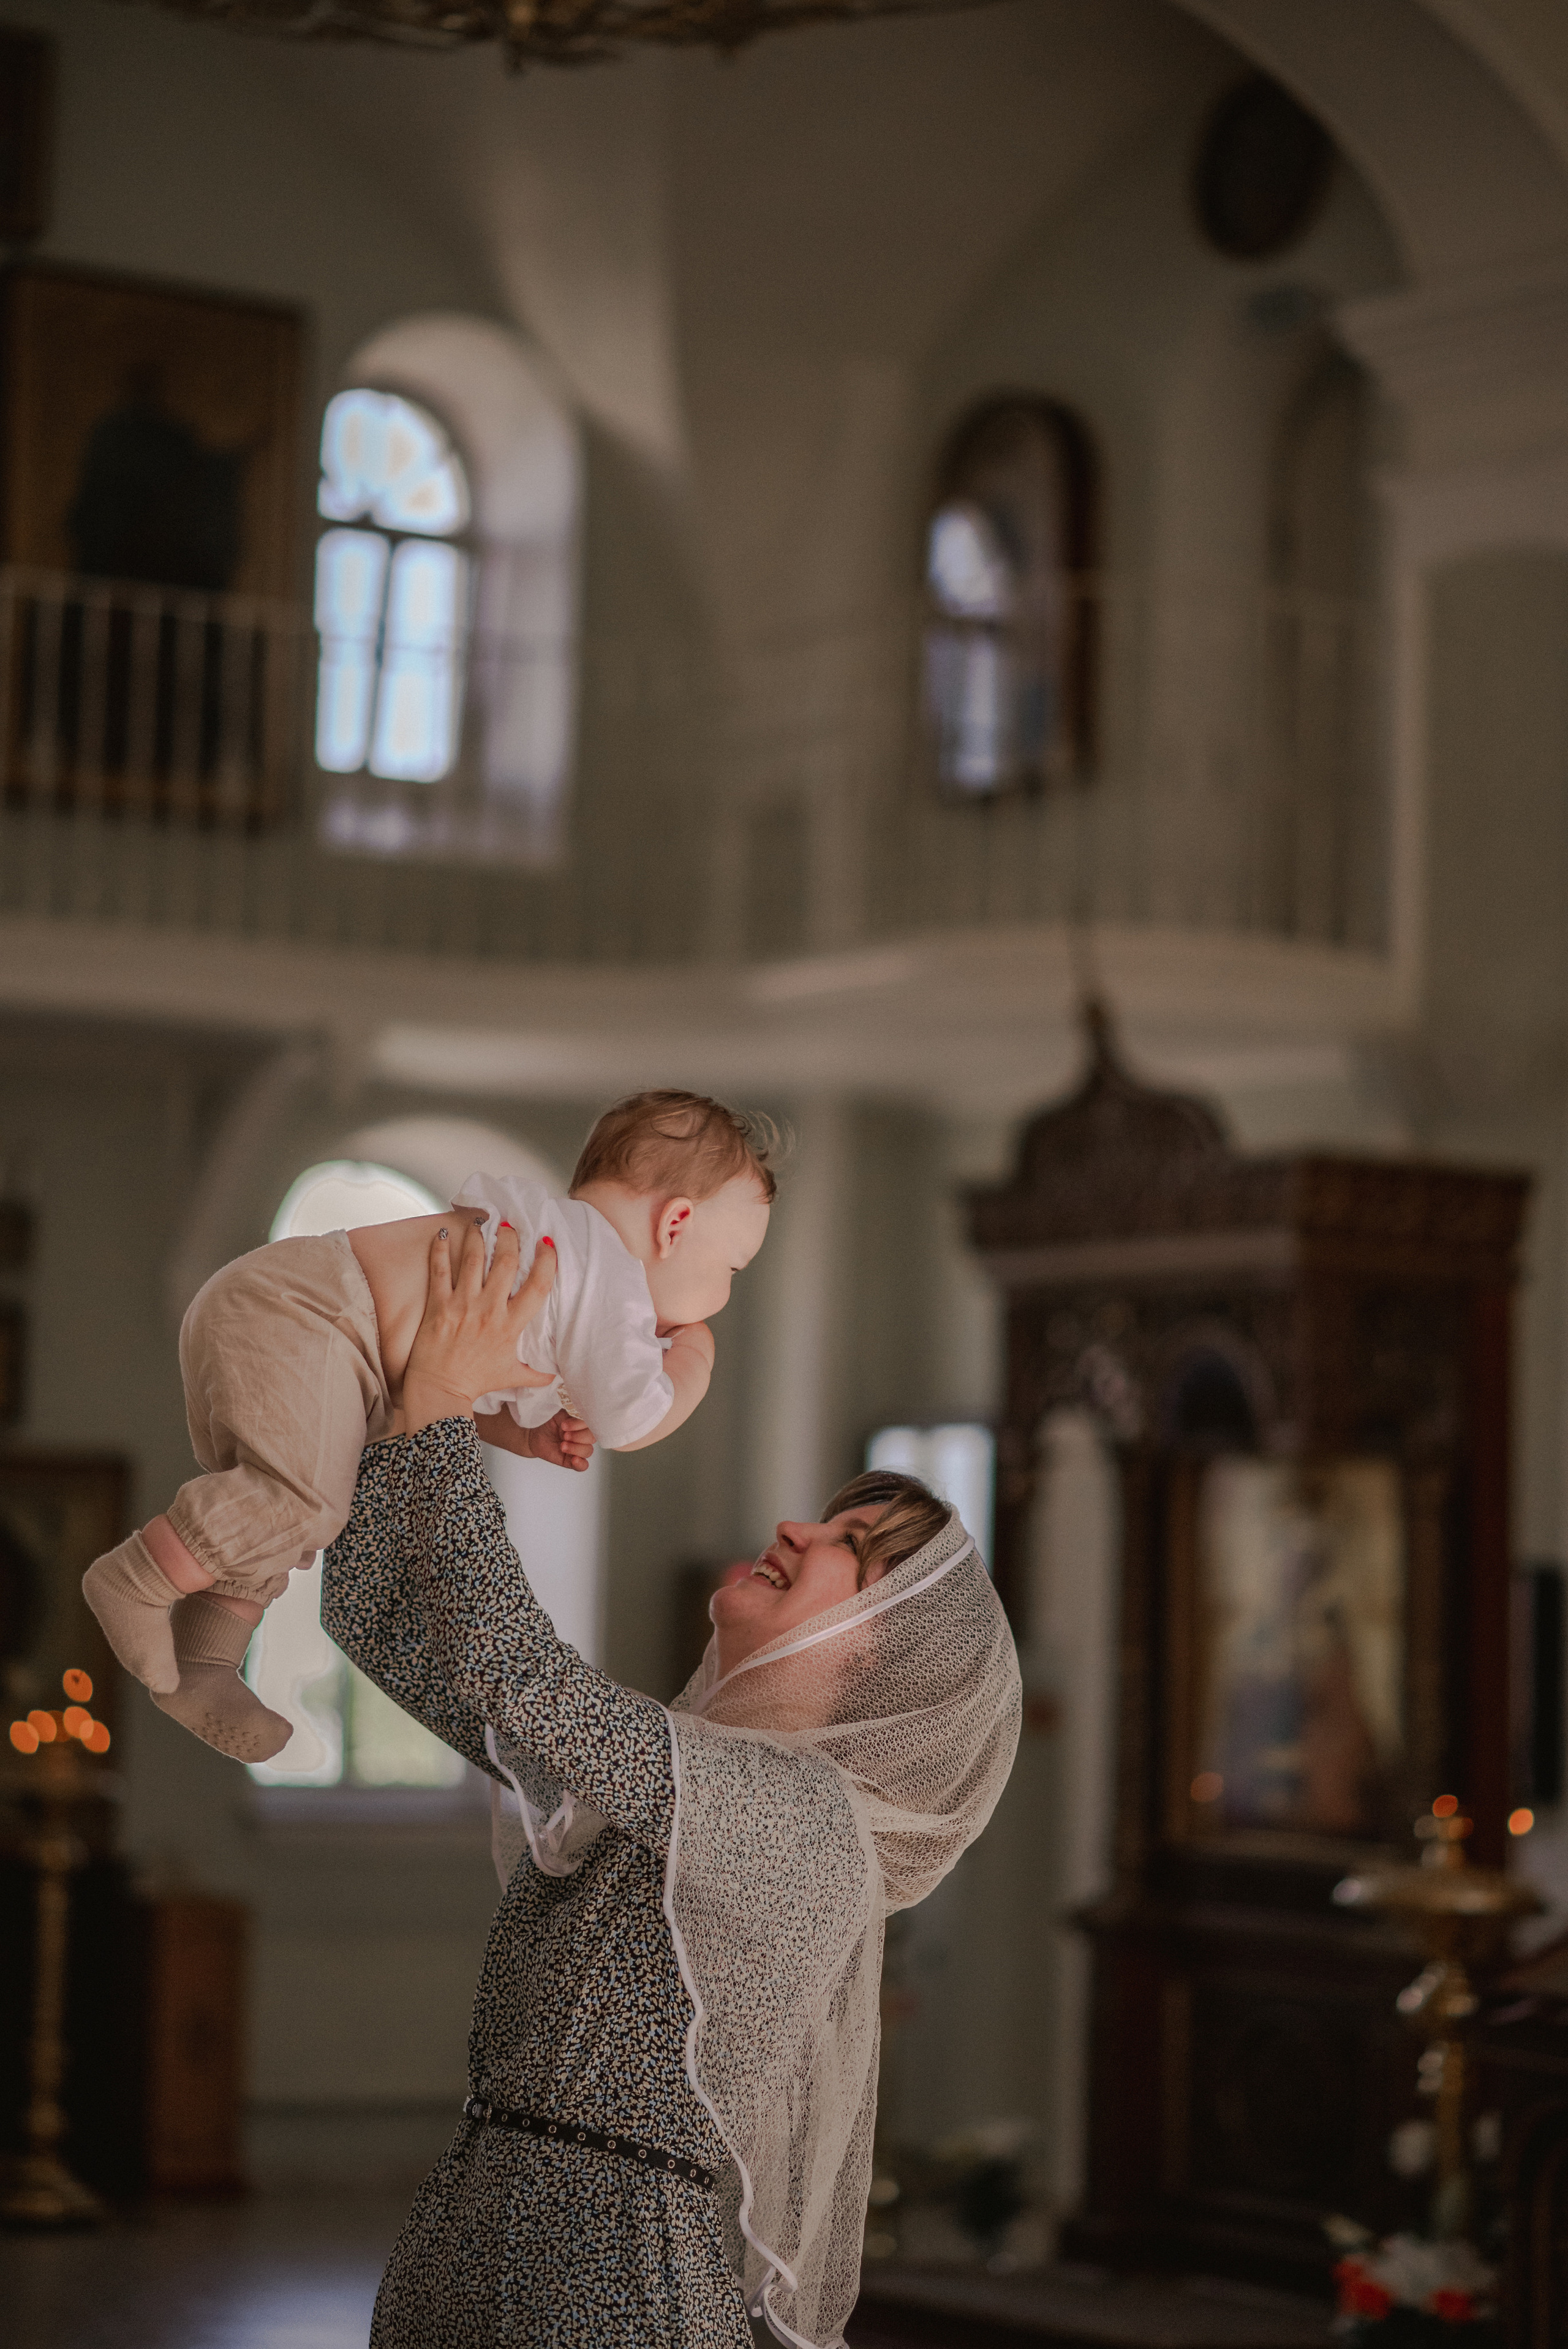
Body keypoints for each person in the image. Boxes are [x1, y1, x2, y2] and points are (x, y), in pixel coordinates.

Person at [322, 1214, 1022, 2349]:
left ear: (876, 1655)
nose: (794, 1526)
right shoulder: (668, 1772)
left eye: (849, 1545)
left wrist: (445, 1401)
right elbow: (385, 1620)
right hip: (466, 2232)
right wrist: (386, 1397)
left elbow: (514, 1669)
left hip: (617, 2279)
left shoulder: (806, 1822)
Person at [81, 1091, 775, 1764]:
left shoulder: (559, 1253)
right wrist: (693, 1361)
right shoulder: (609, 1275)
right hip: (309, 1315)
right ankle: (136, 1580)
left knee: (293, 1508)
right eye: (732, 1268)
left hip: (298, 1317)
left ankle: (205, 1660)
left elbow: (450, 1387)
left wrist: (523, 1435)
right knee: (301, 1502)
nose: (721, 1297)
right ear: (674, 1225)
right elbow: (630, 1419)